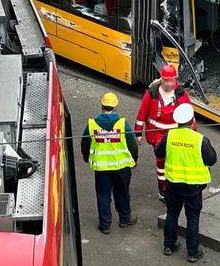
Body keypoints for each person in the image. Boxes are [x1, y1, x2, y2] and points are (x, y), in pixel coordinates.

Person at [155, 103, 217, 262]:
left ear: (177, 121)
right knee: (192, 218)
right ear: (192, 120)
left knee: (172, 214)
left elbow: (158, 152)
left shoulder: (170, 136)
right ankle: (192, 252)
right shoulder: (201, 140)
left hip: (173, 184)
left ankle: (169, 245)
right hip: (193, 187)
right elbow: (212, 159)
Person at [81, 92, 139, 234]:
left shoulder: (92, 124)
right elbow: (132, 143)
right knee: (122, 192)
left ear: (102, 105)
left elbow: (84, 142)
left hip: (102, 168)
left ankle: (105, 224)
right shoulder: (122, 124)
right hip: (122, 167)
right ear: (115, 106)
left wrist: (86, 156)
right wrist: (134, 159)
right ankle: (125, 218)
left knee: (103, 195)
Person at [135, 64, 193, 202]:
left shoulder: (180, 93)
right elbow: (142, 113)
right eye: (166, 80)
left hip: (176, 133)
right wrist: (138, 133)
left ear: (175, 80)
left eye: (171, 80)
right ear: (161, 80)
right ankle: (163, 189)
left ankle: (174, 187)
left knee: (175, 162)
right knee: (161, 164)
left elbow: (188, 112)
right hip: (158, 135)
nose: (169, 84)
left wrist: (192, 130)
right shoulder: (152, 93)